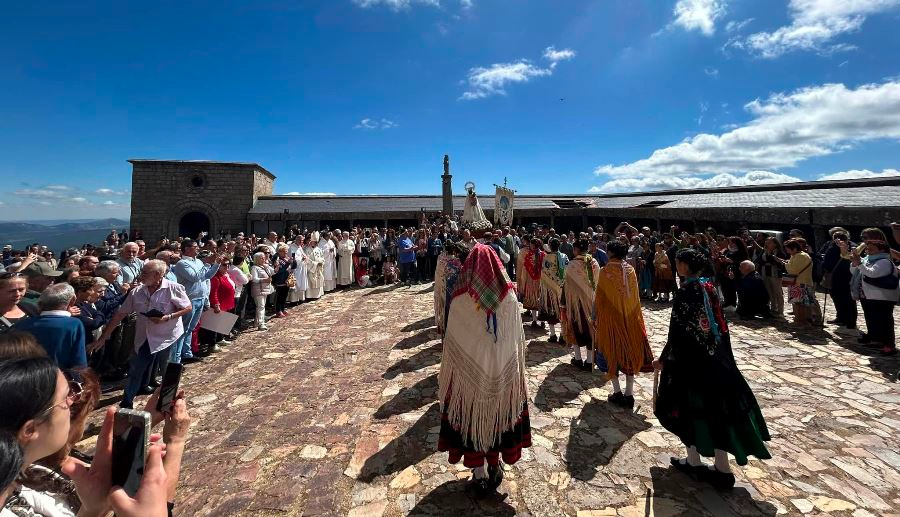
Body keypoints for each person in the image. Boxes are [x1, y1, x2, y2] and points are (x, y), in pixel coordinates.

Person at [654, 248, 771, 491]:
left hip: (690, 362)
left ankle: (694, 460)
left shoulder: (686, 291)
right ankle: (722, 467)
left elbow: (678, 329)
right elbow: (720, 325)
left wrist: (665, 358)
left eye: (678, 262)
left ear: (684, 266)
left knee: (686, 407)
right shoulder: (709, 287)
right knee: (718, 411)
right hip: (715, 358)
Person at [437, 244, 531, 493]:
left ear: (469, 267)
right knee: (500, 418)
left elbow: (452, 339)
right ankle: (494, 463)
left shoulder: (460, 298)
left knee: (471, 418)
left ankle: (478, 472)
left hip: (468, 382)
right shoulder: (509, 296)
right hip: (503, 374)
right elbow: (516, 339)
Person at [97, 260, 192, 409]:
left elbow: (187, 307)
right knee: (135, 370)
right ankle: (127, 402)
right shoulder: (137, 292)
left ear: (158, 275)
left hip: (167, 336)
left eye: (145, 273)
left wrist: (167, 317)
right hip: (144, 337)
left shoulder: (173, 288)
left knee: (168, 371)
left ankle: (168, 402)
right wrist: (104, 336)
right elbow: (120, 314)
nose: (141, 275)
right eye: (141, 272)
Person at [594, 241, 654, 408]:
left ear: (611, 252)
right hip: (630, 318)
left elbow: (600, 298)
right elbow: (635, 296)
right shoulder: (630, 270)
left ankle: (617, 392)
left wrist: (595, 317)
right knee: (629, 352)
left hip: (611, 321)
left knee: (611, 353)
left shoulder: (605, 271)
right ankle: (629, 394)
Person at [14, 284, 87, 370]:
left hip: (26, 377)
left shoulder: (22, 324)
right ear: (72, 301)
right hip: (58, 378)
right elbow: (79, 360)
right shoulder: (74, 324)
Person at [170, 240, 219, 364]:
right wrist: (207, 263)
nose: (198, 249)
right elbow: (195, 277)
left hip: (200, 298)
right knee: (184, 329)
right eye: (195, 247)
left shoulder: (197, 261)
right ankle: (177, 358)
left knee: (191, 328)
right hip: (189, 299)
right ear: (186, 249)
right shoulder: (182, 263)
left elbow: (206, 276)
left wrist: (216, 264)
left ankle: (187, 353)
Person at [850, 240, 899, 355]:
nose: (868, 250)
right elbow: (854, 271)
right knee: (874, 319)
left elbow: (872, 273)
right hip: (869, 295)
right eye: (867, 248)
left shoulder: (884, 261)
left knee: (885, 321)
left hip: (883, 296)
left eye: (871, 248)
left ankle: (889, 345)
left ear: (881, 250)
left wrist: (859, 264)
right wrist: (855, 263)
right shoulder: (868, 259)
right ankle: (877, 340)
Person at [560, 238, 600, 371]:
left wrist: (563, 304)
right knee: (590, 330)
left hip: (575, 304)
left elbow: (566, 286)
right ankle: (589, 361)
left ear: (576, 250)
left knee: (575, 328)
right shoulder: (594, 263)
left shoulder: (571, 265)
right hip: (591, 303)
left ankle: (578, 359)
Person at [780, 239, 821, 328]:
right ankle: (798, 320)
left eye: (788, 249)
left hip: (802, 283)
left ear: (794, 248)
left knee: (803, 304)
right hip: (796, 283)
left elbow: (793, 270)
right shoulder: (795, 256)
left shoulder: (801, 256)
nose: (787, 251)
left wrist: (784, 264)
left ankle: (804, 322)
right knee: (797, 303)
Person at [824, 231, 857, 329]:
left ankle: (848, 320)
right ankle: (843, 318)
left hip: (839, 277)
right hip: (845, 276)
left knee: (844, 299)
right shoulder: (853, 247)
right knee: (843, 299)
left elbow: (826, 262)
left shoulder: (833, 248)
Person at [539, 238, 568, 343]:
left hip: (550, 289)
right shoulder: (565, 257)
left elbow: (544, 274)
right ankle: (562, 335)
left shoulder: (547, 258)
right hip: (562, 289)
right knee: (562, 312)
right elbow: (567, 272)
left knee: (551, 311)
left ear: (550, 246)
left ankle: (552, 335)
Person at [434, 243, 463, 334]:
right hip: (452, 287)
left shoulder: (441, 258)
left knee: (444, 306)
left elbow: (438, 271)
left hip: (442, 286)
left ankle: (443, 327)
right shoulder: (456, 261)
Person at [757, 237, 786, 318]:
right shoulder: (764, 251)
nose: (767, 244)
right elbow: (760, 261)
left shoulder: (779, 253)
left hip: (775, 274)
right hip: (765, 274)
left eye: (769, 242)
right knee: (769, 292)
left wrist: (770, 256)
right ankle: (773, 308)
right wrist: (768, 260)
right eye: (767, 242)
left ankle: (780, 311)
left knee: (777, 293)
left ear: (775, 244)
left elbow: (779, 263)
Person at [518, 238, 543, 327]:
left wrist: (522, 282)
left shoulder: (528, 256)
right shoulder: (544, 255)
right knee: (540, 299)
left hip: (530, 281)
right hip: (541, 281)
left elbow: (525, 270)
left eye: (531, 244)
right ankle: (542, 319)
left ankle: (535, 320)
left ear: (534, 245)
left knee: (533, 299)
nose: (530, 246)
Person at [250, 252, 275, 331]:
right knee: (261, 306)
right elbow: (254, 279)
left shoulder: (264, 266)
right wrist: (265, 280)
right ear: (257, 259)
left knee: (261, 306)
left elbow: (273, 272)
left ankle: (257, 322)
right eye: (261, 258)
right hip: (258, 289)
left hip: (264, 289)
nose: (263, 259)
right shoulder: (254, 268)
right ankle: (261, 323)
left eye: (264, 257)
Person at [271, 244, 296, 318]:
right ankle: (278, 311)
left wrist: (293, 261)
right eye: (284, 252)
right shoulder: (278, 259)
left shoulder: (286, 258)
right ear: (280, 252)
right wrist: (288, 262)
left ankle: (283, 308)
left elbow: (294, 267)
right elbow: (280, 270)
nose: (286, 253)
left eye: (286, 252)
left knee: (285, 295)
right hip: (280, 279)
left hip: (287, 279)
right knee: (279, 296)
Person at [287, 235, 308, 305]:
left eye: (302, 240)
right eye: (300, 240)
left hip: (301, 268)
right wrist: (301, 259)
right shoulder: (292, 248)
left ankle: (300, 298)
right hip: (296, 269)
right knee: (296, 284)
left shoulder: (299, 247)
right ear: (296, 240)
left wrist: (305, 257)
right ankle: (293, 300)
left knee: (301, 283)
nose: (301, 242)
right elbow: (292, 259)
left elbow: (303, 255)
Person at [304, 232, 325, 301]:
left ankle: (317, 295)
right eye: (313, 242)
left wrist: (321, 262)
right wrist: (315, 263)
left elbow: (322, 258)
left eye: (316, 242)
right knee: (311, 282)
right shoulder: (307, 249)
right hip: (311, 269)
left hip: (318, 268)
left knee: (318, 280)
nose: (315, 243)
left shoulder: (319, 249)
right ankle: (310, 296)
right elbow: (307, 259)